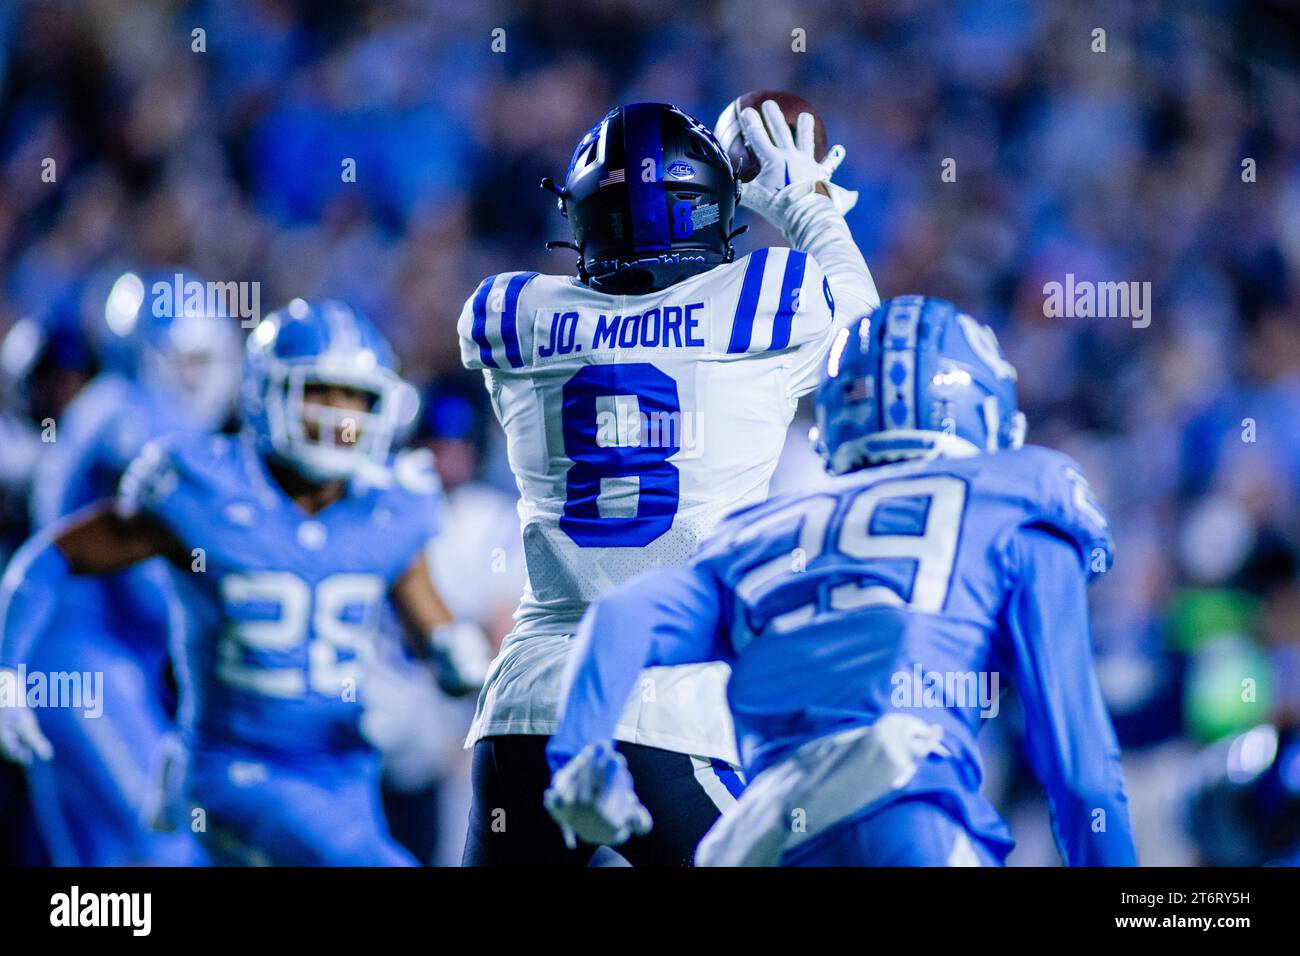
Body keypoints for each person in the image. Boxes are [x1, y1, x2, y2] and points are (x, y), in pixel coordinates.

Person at [544, 296, 1138, 867]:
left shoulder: (755, 534)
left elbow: (621, 615)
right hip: (903, 812)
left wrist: (580, 751)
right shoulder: (1016, 500)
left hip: (759, 835)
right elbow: (1080, 773)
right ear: (989, 414)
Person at [457, 100, 879, 864]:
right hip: (661, 707)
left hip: (525, 702)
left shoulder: (507, 314)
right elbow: (867, 332)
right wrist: (801, 198)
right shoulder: (762, 300)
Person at [0, 298, 490, 866]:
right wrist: (9, 672)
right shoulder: (203, 491)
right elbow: (53, 557)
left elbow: (434, 628)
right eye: (320, 392)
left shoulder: (390, 510)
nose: (339, 414)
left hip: (344, 773)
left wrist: (460, 665)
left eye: (357, 396)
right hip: (235, 767)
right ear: (266, 393)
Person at [0, 270, 241, 865]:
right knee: (167, 845)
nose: (197, 378)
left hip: (73, 660)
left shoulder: (110, 408)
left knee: (97, 875)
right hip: (82, 662)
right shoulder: (135, 422)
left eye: (205, 360)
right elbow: (146, 585)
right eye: (185, 360)